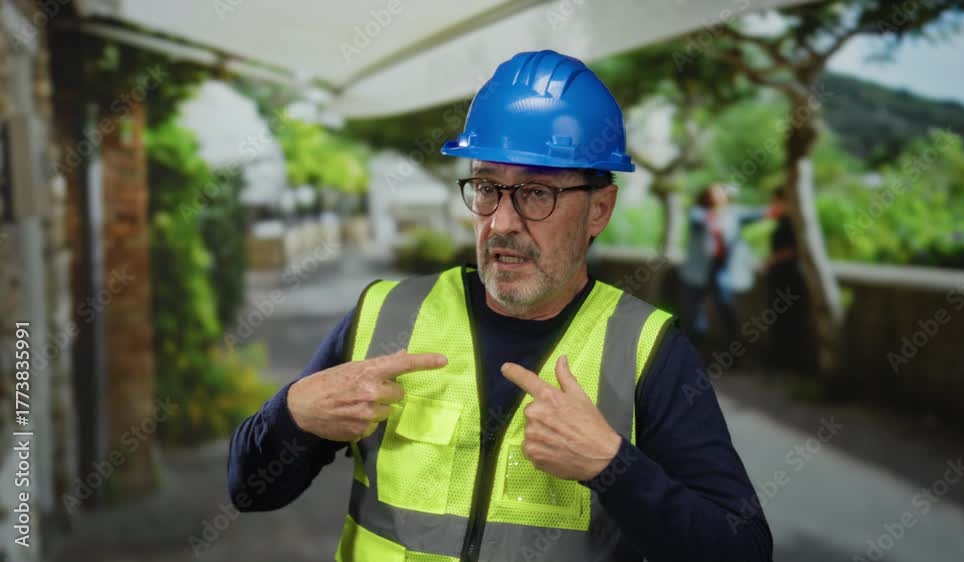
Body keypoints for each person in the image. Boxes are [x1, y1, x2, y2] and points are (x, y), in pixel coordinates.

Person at [228, 50, 772, 562]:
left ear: (600, 210)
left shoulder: (648, 351)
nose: (502, 222)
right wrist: (292, 415)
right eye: (487, 187)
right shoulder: (385, 314)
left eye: (537, 193)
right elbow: (249, 490)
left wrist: (613, 466)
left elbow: (742, 548)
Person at [679, 183, 770, 347]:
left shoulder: (733, 214)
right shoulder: (698, 213)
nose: (717, 196)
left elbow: (758, 214)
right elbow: (700, 223)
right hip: (698, 271)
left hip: (720, 268)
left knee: (725, 306)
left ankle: (733, 345)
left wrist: (779, 208)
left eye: (720, 193)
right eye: (713, 193)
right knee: (693, 311)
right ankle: (694, 346)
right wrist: (719, 215)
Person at [764, 188, 807, 372]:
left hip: (788, 279)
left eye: (776, 201)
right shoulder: (785, 222)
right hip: (781, 278)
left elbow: (794, 250)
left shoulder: (792, 224)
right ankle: (782, 360)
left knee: (788, 321)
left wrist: (773, 260)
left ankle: (787, 361)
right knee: (782, 320)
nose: (773, 205)